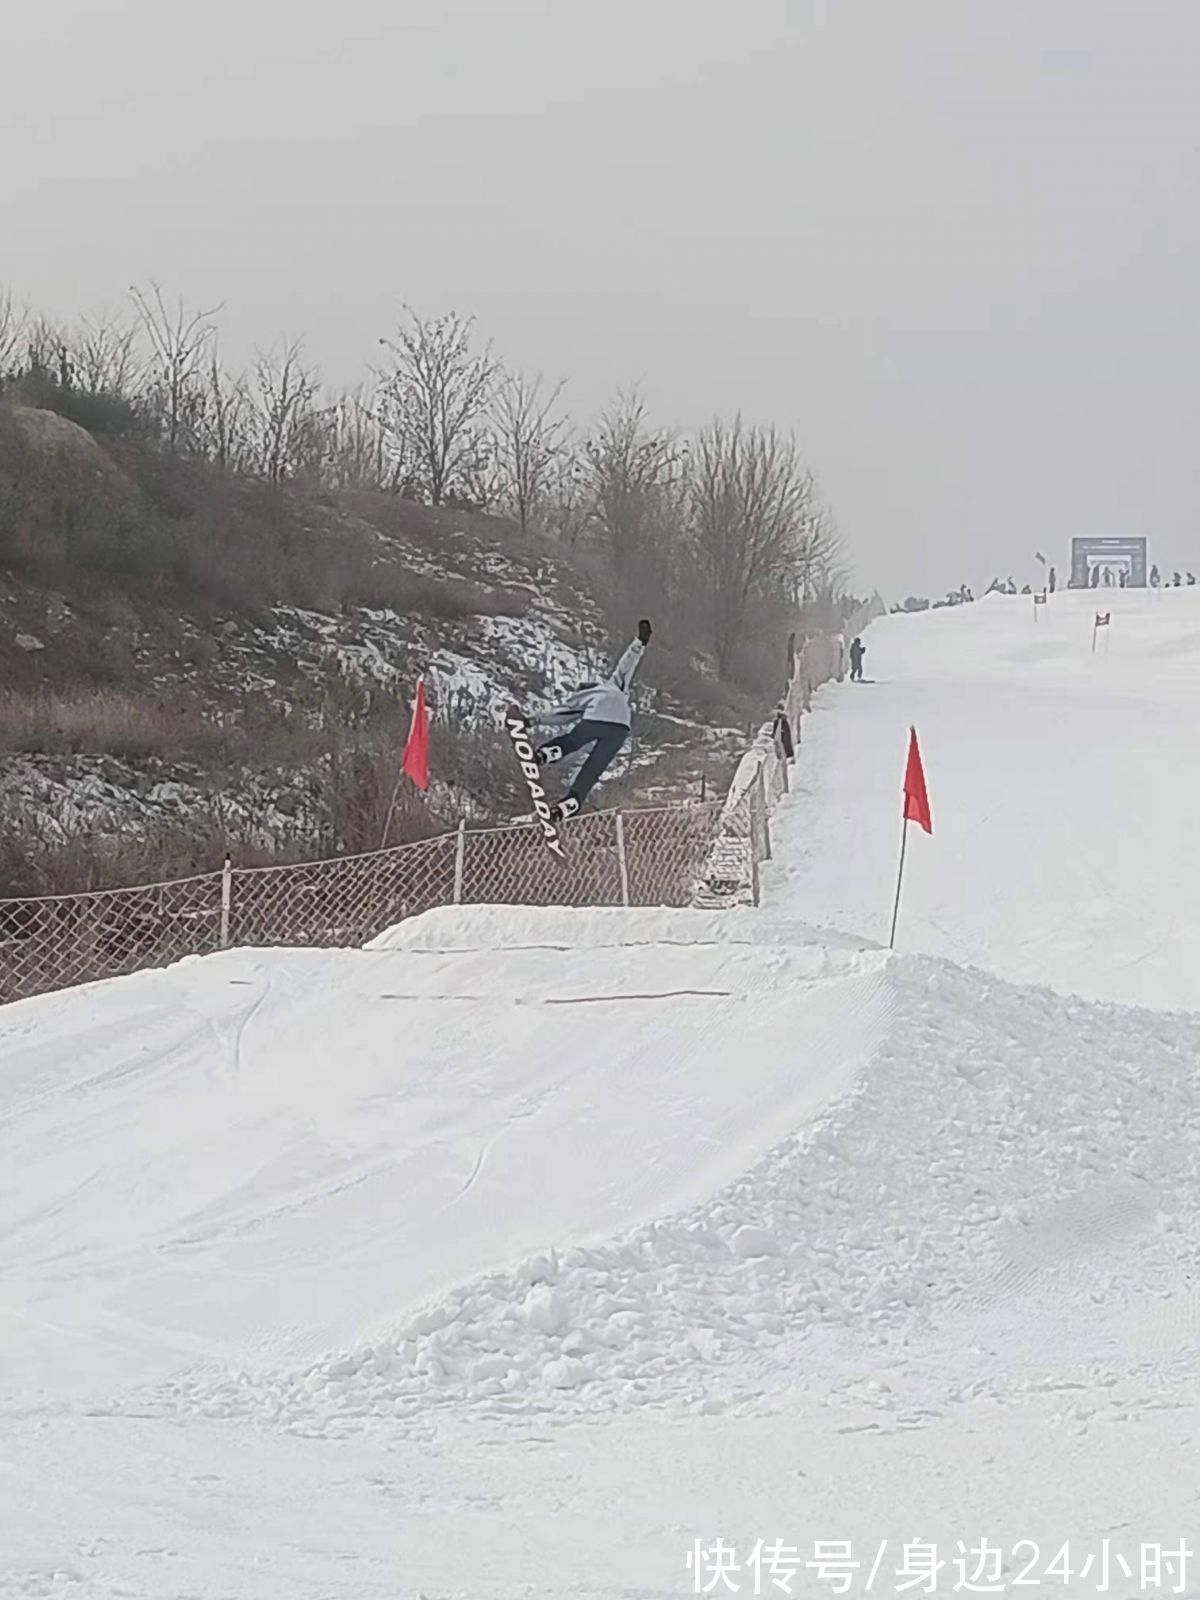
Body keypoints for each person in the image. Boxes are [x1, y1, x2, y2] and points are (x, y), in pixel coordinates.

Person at [535, 620, 651, 820]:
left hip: (598, 718)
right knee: (593, 768)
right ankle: (572, 802)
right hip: (621, 728)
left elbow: (561, 714)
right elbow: (627, 663)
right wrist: (640, 641)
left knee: (572, 741)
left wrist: (531, 720)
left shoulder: (585, 696)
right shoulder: (614, 685)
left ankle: (548, 754)